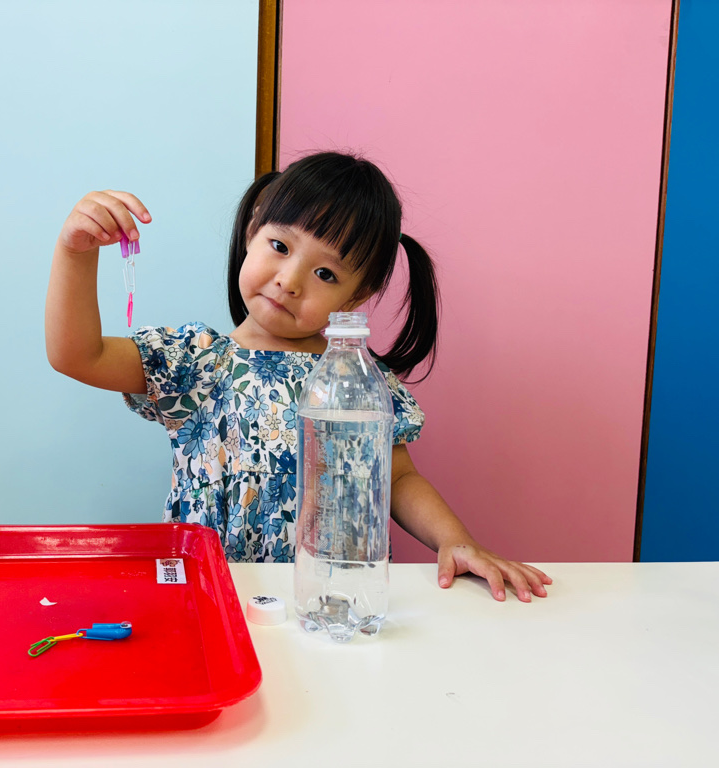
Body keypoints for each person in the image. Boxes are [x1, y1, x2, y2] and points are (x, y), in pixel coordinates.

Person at [46, 151, 551, 602]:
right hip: (210, 596)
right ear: (252, 232)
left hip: (332, 604)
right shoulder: (195, 362)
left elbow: (396, 477)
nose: (289, 281)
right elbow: (78, 355)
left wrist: (456, 540)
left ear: (355, 297)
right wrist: (76, 252)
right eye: (280, 246)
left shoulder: (356, 380)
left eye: (325, 274)